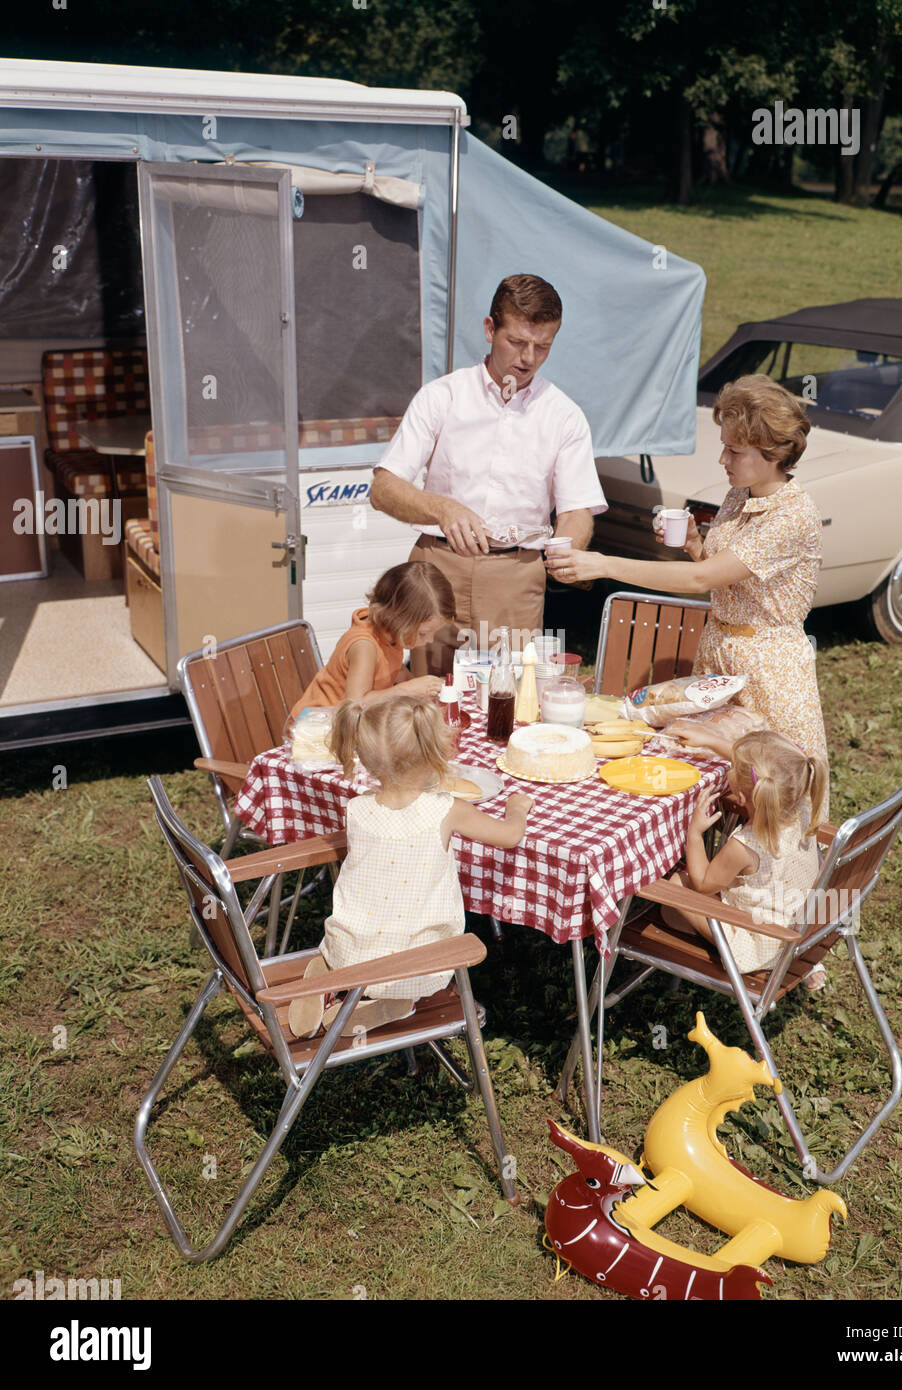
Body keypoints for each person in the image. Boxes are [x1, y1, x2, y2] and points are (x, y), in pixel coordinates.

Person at [544, 373, 830, 817]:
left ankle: (773, 887)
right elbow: (722, 576)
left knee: (771, 802)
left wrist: (603, 564)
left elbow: (701, 582)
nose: (722, 459)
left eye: (734, 450)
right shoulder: (741, 495)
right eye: (724, 446)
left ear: (771, 453)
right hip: (721, 655)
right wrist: (696, 543)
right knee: (714, 784)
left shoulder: (792, 517)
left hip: (769, 673)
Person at [369, 273, 607, 671]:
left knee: (507, 700)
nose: (528, 358)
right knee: (427, 694)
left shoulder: (564, 415)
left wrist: (568, 548)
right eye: (517, 342)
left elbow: (577, 510)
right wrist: (443, 509)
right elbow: (384, 488)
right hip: (436, 570)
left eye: (543, 346)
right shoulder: (443, 396)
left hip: (515, 576)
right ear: (489, 329)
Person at [288, 697, 533, 1038]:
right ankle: (396, 999)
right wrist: (517, 808)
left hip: (347, 952)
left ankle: (335, 982)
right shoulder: (447, 809)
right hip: (422, 967)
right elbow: (509, 836)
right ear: (435, 755)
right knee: (416, 958)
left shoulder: (356, 809)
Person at [664, 730, 827, 986]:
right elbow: (763, 772)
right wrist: (709, 739)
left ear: (739, 795)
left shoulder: (745, 845)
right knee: (675, 910)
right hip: (800, 926)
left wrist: (695, 833)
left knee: (675, 886)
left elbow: (701, 884)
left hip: (760, 943)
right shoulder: (801, 806)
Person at [289, 562, 454, 720]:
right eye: (423, 633)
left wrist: (423, 688)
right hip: (316, 725)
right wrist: (405, 690)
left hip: (351, 724)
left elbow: (396, 671)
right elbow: (355, 703)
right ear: (399, 619)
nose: (429, 640)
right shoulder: (364, 646)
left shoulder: (390, 636)